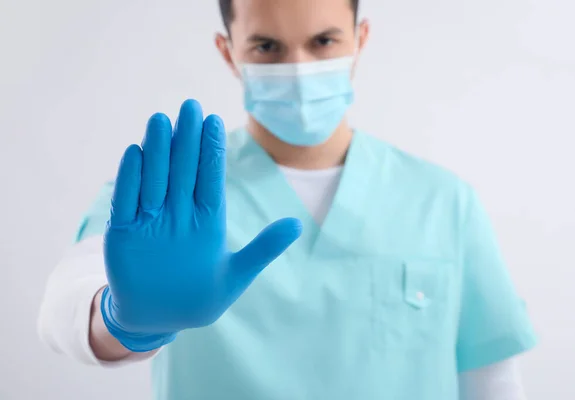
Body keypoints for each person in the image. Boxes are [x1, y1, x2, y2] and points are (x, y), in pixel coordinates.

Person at [37, 0, 537, 398]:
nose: (298, 69)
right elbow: (64, 303)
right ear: (228, 51)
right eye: (267, 47)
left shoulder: (442, 201)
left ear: (360, 40)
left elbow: (491, 380)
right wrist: (125, 322)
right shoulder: (167, 200)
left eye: (323, 41)